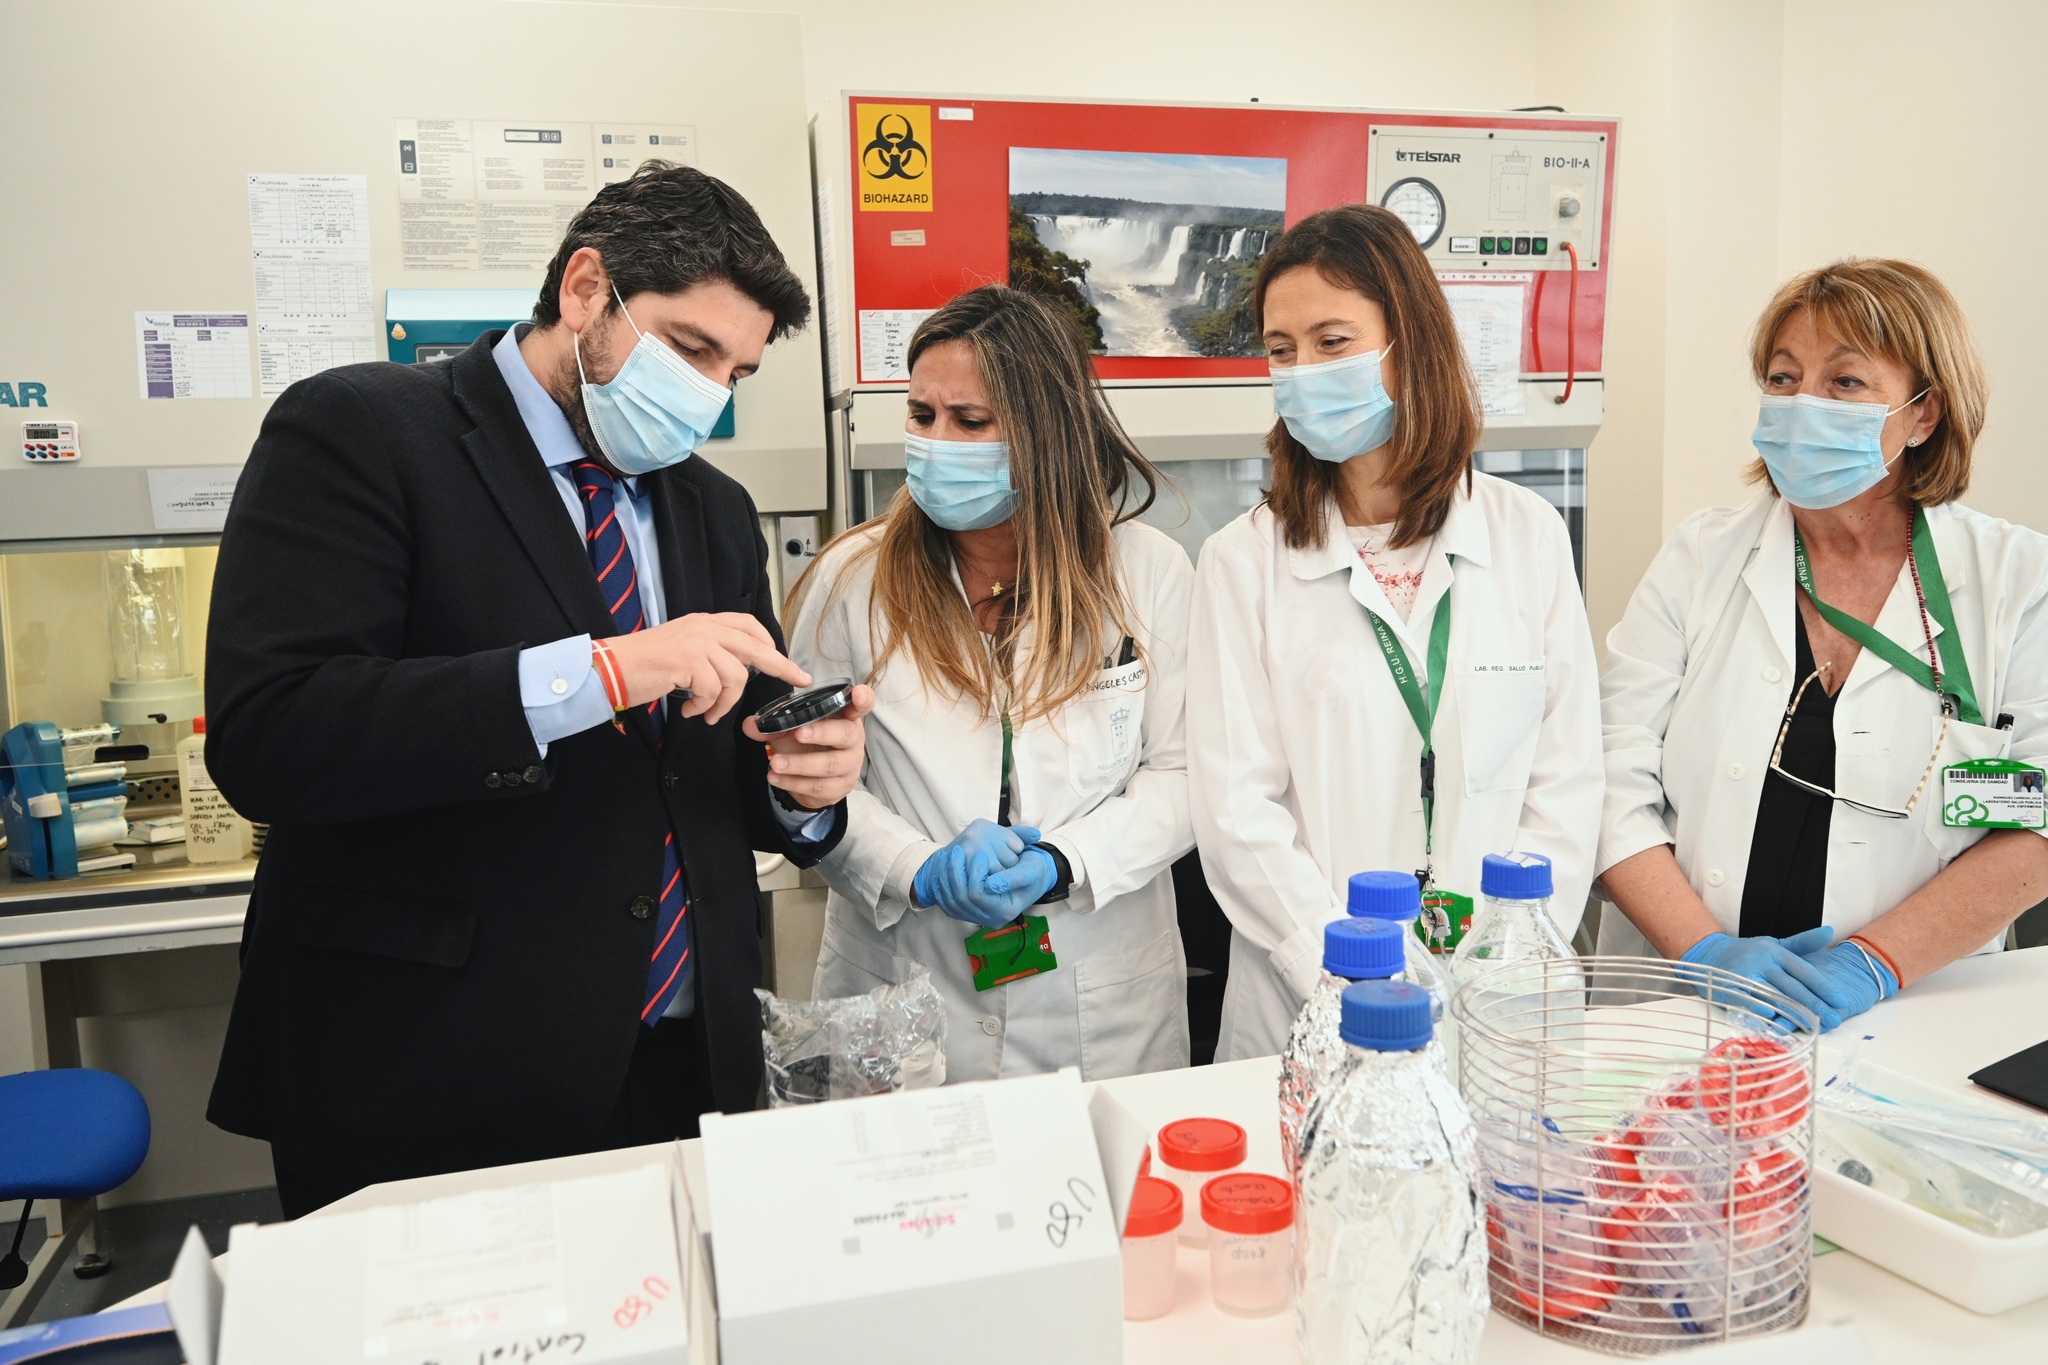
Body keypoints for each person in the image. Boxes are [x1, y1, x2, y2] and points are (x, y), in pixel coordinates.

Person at [204, 163, 872, 1215]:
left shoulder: (712, 510)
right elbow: (274, 737)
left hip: (681, 1062)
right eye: (690, 348)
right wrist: (599, 671)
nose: (706, 392)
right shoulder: (363, 432)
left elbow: (714, 785)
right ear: (584, 290)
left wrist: (801, 786)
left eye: (735, 372)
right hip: (429, 1074)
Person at [1188, 205, 1603, 1062]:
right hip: (1312, 1002)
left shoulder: (1527, 534)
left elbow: (1567, 778)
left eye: (1332, 341)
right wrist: (1344, 970)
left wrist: (1507, 953)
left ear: (1409, 342)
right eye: (1280, 349)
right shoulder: (1243, 561)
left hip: (1500, 1005)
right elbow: (1237, 811)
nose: (1302, 370)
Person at [1598, 258, 2048, 1028]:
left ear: (1923, 415)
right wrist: (1703, 950)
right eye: (1782, 378)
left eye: (1844, 383)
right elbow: (1609, 778)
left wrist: (1874, 962)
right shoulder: (1700, 558)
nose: (1802, 405)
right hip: (1681, 1007)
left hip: (1911, 1011)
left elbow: (2034, 821)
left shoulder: (2017, 580)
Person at [786, 285, 1195, 1081]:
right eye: (921, 414)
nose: (938, 442)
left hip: (1098, 994)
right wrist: (914, 865)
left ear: (1049, 432)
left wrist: (1064, 861)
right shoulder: (852, 579)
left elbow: (1182, 773)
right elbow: (812, 782)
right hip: (903, 972)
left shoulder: (1147, 573)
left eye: (971, 421)